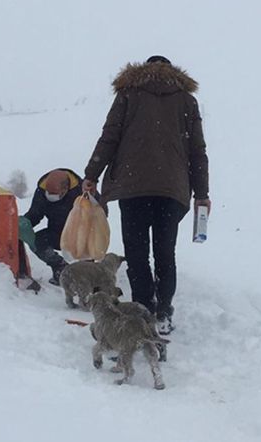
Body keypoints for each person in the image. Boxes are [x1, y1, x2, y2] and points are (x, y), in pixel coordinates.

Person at [82, 55, 211, 335]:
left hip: (134, 187)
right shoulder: (186, 101)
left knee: (137, 254)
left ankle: (142, 310)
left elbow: (110, 137)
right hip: (172, 190)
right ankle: (163, 312)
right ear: (172, 72)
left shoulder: (128, 95)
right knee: (165, 253)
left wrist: (91, 174)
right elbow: (197, 152)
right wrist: (202, 193)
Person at [19, 168, 103, 286]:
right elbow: (35, 214)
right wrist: (25, 223)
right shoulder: (41, 192)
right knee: (38, 241)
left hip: (82, 234)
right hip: (57, 232)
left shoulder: (82, 190)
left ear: (65, 189)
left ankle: (89, 278)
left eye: (55, 194)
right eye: (49, 193)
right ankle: (60, 268)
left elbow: (101, 211)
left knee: (87, 254)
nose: (50, 197)